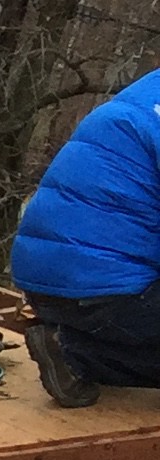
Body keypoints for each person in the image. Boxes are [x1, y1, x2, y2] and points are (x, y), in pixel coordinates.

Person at [15, 67, 160, 408]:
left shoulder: (145, 94)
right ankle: (74, 352)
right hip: (104, 290)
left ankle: (71, 343)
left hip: (49, 284)